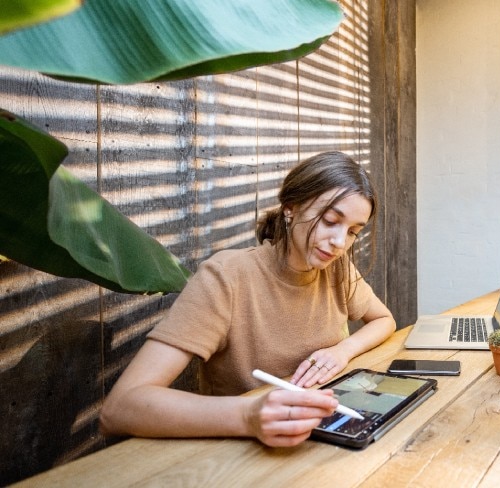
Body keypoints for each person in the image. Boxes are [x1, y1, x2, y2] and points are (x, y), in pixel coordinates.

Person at [100, 151, 396, 447]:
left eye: (353, 232)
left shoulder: (337, 268)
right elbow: (120, 409)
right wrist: (248, 415)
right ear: (290, 208)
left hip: (321, 435)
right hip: (240, 450)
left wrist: (343, 350)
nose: (339, 243)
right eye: (331, 220)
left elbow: (384, 320)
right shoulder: (226, 276)